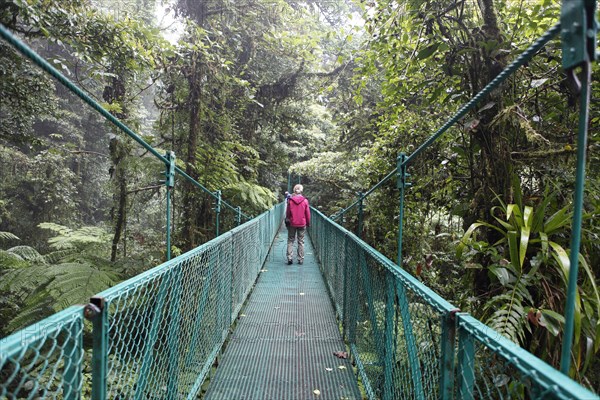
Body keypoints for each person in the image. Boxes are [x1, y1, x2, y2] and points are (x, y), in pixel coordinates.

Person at [286, 184, 310, 265]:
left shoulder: (290, 200)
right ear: (301, 191)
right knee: (301, 241)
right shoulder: (305, 201)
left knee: (290, 240)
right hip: (302, 223)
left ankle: (289, 258)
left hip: (292, 223)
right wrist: (308, 223)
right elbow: (307, 214)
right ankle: (300, 259)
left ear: (294, 190)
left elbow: (288, 213)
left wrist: (287, 220)